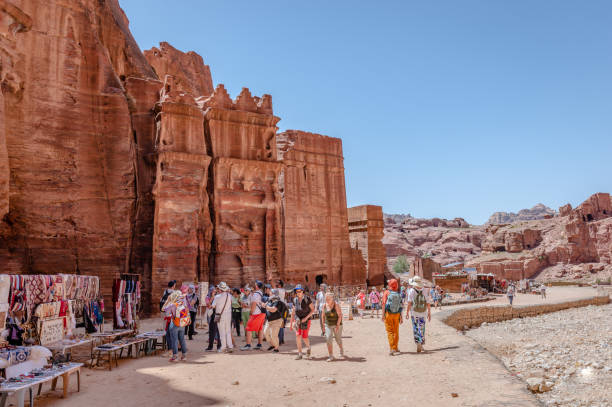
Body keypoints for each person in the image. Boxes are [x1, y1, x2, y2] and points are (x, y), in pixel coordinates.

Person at [162, 288, 189, 362]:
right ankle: (184, 356)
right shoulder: (182, 304)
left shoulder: (172, 305)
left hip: (174, 324)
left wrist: (168, 300)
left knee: (174, 340)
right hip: (182, 324)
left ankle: (175, 357)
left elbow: (164, 310)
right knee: (182, 339)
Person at [405, 276, 432, 353]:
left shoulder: (411, 290)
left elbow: (409, 303)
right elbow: (428, 303)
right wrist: (429, 313)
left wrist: (407, 312)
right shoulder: (425, 290)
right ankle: (422, 343)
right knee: (422, 327)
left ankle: (418, 342)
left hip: (414, 313)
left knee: (415, 328)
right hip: (423, 313)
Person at [290, 284, 314, 360]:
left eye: (300, 291)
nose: (298, 293)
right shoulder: (295, 300)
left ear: (302, 291)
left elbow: (313, 310)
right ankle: (300, 353)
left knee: (304, 336)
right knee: (298, 336)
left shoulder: (307, 299)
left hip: (306, 320)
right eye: (297, 292)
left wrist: (306, 318)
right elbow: (293, 312)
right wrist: (291, 324)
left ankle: (308, 348)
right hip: (298, 320)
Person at [241, 281, 266, 350]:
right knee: (260, 329)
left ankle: (248, 345)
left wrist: (251, 312)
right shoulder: (261, 293)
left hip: (256, 313)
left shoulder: (255, 294)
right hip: (262, 312)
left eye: (255, 284)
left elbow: (254, 303)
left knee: (248, 329)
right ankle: (259, 344)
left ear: (257, 286)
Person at [381, 279, 403, 356]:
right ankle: (396, 347)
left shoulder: (386, 292)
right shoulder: (398, 293)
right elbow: (401, 306)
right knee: (396, 331)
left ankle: (392, 348)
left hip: (389, 314)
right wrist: (401, 317)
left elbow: (383, 304)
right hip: (397, 314)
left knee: (390, 331)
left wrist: (382, 315)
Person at [322, 292, 344, 361]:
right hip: (328, 324)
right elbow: (322, 316)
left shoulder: (336, 305)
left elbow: (340, 316)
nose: (327, 300)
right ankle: (331, 355)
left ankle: (341, 349)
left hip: (337, 324)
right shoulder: (324, 305)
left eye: (328, 298)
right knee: (328, 339)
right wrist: (323, 325)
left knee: (338, 339)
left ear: (332, 298)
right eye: (326, 298)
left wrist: (337, 325)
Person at [212, 282, 233, 353]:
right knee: (228, 331)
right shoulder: (229, 296)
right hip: (228, 315)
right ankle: (230, 346)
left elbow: (213, 306)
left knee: (222, 332)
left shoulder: (217, 297)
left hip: (220, 315)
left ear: (220, 289)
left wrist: (213, 296)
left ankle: (223, 347)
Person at [161, 280, 177, 355]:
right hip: (172, 314)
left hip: (165, 314)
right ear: (173, 285)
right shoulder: (175, 293)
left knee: (166, 330)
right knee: (172, 332)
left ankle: (169, 347)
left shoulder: (165, 292)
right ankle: (172, 348)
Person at [205, 287, 221, 352]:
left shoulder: (219, 297)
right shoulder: (207, 297)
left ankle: (219, 346)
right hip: (212, 314)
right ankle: (210, 346)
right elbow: (208, 305)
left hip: (217, 314)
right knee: (212, 330)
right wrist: (212, 297)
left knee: (218, 329)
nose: (214, 291)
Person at [276, 280, 287, 345]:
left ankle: (279, 340)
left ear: (280, 285)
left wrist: (270, 280)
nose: (277, 284)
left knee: (279, 324)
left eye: (277, 283)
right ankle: (282, 339)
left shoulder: (278, 290)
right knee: (282, 324)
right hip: (284, 307)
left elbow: (273, 287)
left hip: (280, 308)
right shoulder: (283, 290)